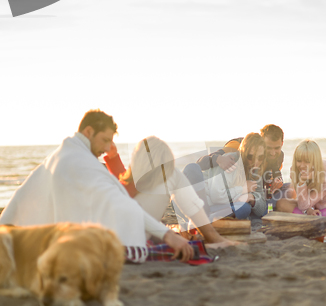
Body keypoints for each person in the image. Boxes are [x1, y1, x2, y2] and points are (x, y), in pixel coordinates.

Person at [0, 110, 193, 262]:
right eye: (105, 140)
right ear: (89, 132)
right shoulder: (80, 161)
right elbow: (123, 203)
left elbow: (21, 197)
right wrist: (168, 235)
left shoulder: (63, 153)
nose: (108, 148)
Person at [104, 136, 238, 248]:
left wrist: (113, 157)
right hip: (132, 240)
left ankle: (209, 233)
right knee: (174, 175)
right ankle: (213, 236)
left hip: (120, 236)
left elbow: (124, 182)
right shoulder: (167, 176)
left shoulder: (127, 185)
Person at [196, 124, 291, 210]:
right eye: (268, 148)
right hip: (232, 187)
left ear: (282, 144)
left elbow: (275, 169)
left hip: (256, 187)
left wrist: (278, 179)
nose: (272, 153)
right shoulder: (237, 147)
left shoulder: (278, 156)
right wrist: (218, 159)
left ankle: (267, 207)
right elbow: (199, 163)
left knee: (289, 189)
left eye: (277, 148)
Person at [185, 133, 267, 220]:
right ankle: (206, 220)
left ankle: (211, 220)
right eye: (251, 157)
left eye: (260, 157)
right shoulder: (229, 161)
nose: (256, 162)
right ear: (243, 152)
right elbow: (216, 196)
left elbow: (262, 208)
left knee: (252, 209)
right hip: (201, 204)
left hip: (221, 205)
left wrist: (252, 197)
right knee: (244, 209)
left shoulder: (256, 170)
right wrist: (243, 189)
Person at [277, 140, 326, 216]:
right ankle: (312, 218)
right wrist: (309, 209)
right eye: (299, 160)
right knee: (281, 203)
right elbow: (304, 204)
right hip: (315, 206)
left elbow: (306, 204)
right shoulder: (295, 170)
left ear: (315, 161)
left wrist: (308, 208)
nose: (302, 165)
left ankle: (314, 219)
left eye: (307, 161)